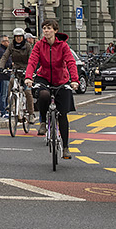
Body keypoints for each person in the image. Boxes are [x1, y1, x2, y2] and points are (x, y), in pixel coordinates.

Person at [25, 19, 80, 159]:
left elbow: (70, 63)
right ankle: (43, 120)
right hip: (43, 77)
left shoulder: (63, 46)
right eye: (44, 28)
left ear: (55, 31)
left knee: (63, 115)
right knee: (43, 95)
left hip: (61, 79)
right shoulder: (39, 45)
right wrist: (28, 77)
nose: (46, 31)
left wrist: (74, 80)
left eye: (49, 28)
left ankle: (66, 147)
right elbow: (32, 61)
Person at [0, 27, 36, 126]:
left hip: (26, 69)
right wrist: (1, 67)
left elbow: (32, 59)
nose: (19, 39)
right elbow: (5, 56)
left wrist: (31, 71)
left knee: (28, 91)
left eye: (20, 37)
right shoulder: (11, 46)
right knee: (11, 83)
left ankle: (31, 113)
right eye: (17, 37)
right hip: (16, 69)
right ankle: (10, 104)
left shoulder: (28, 46)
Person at [0, 37, 11, 118]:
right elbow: (0, 62)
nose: (8, 42)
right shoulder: (1, 51)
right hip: (3, 74)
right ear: (3, 42)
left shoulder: (6, 50)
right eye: (7, 41)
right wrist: (7, 66)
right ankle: (3, 111)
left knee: (5, 93)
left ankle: (5, 110)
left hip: (6, 74)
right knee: (3, 94)